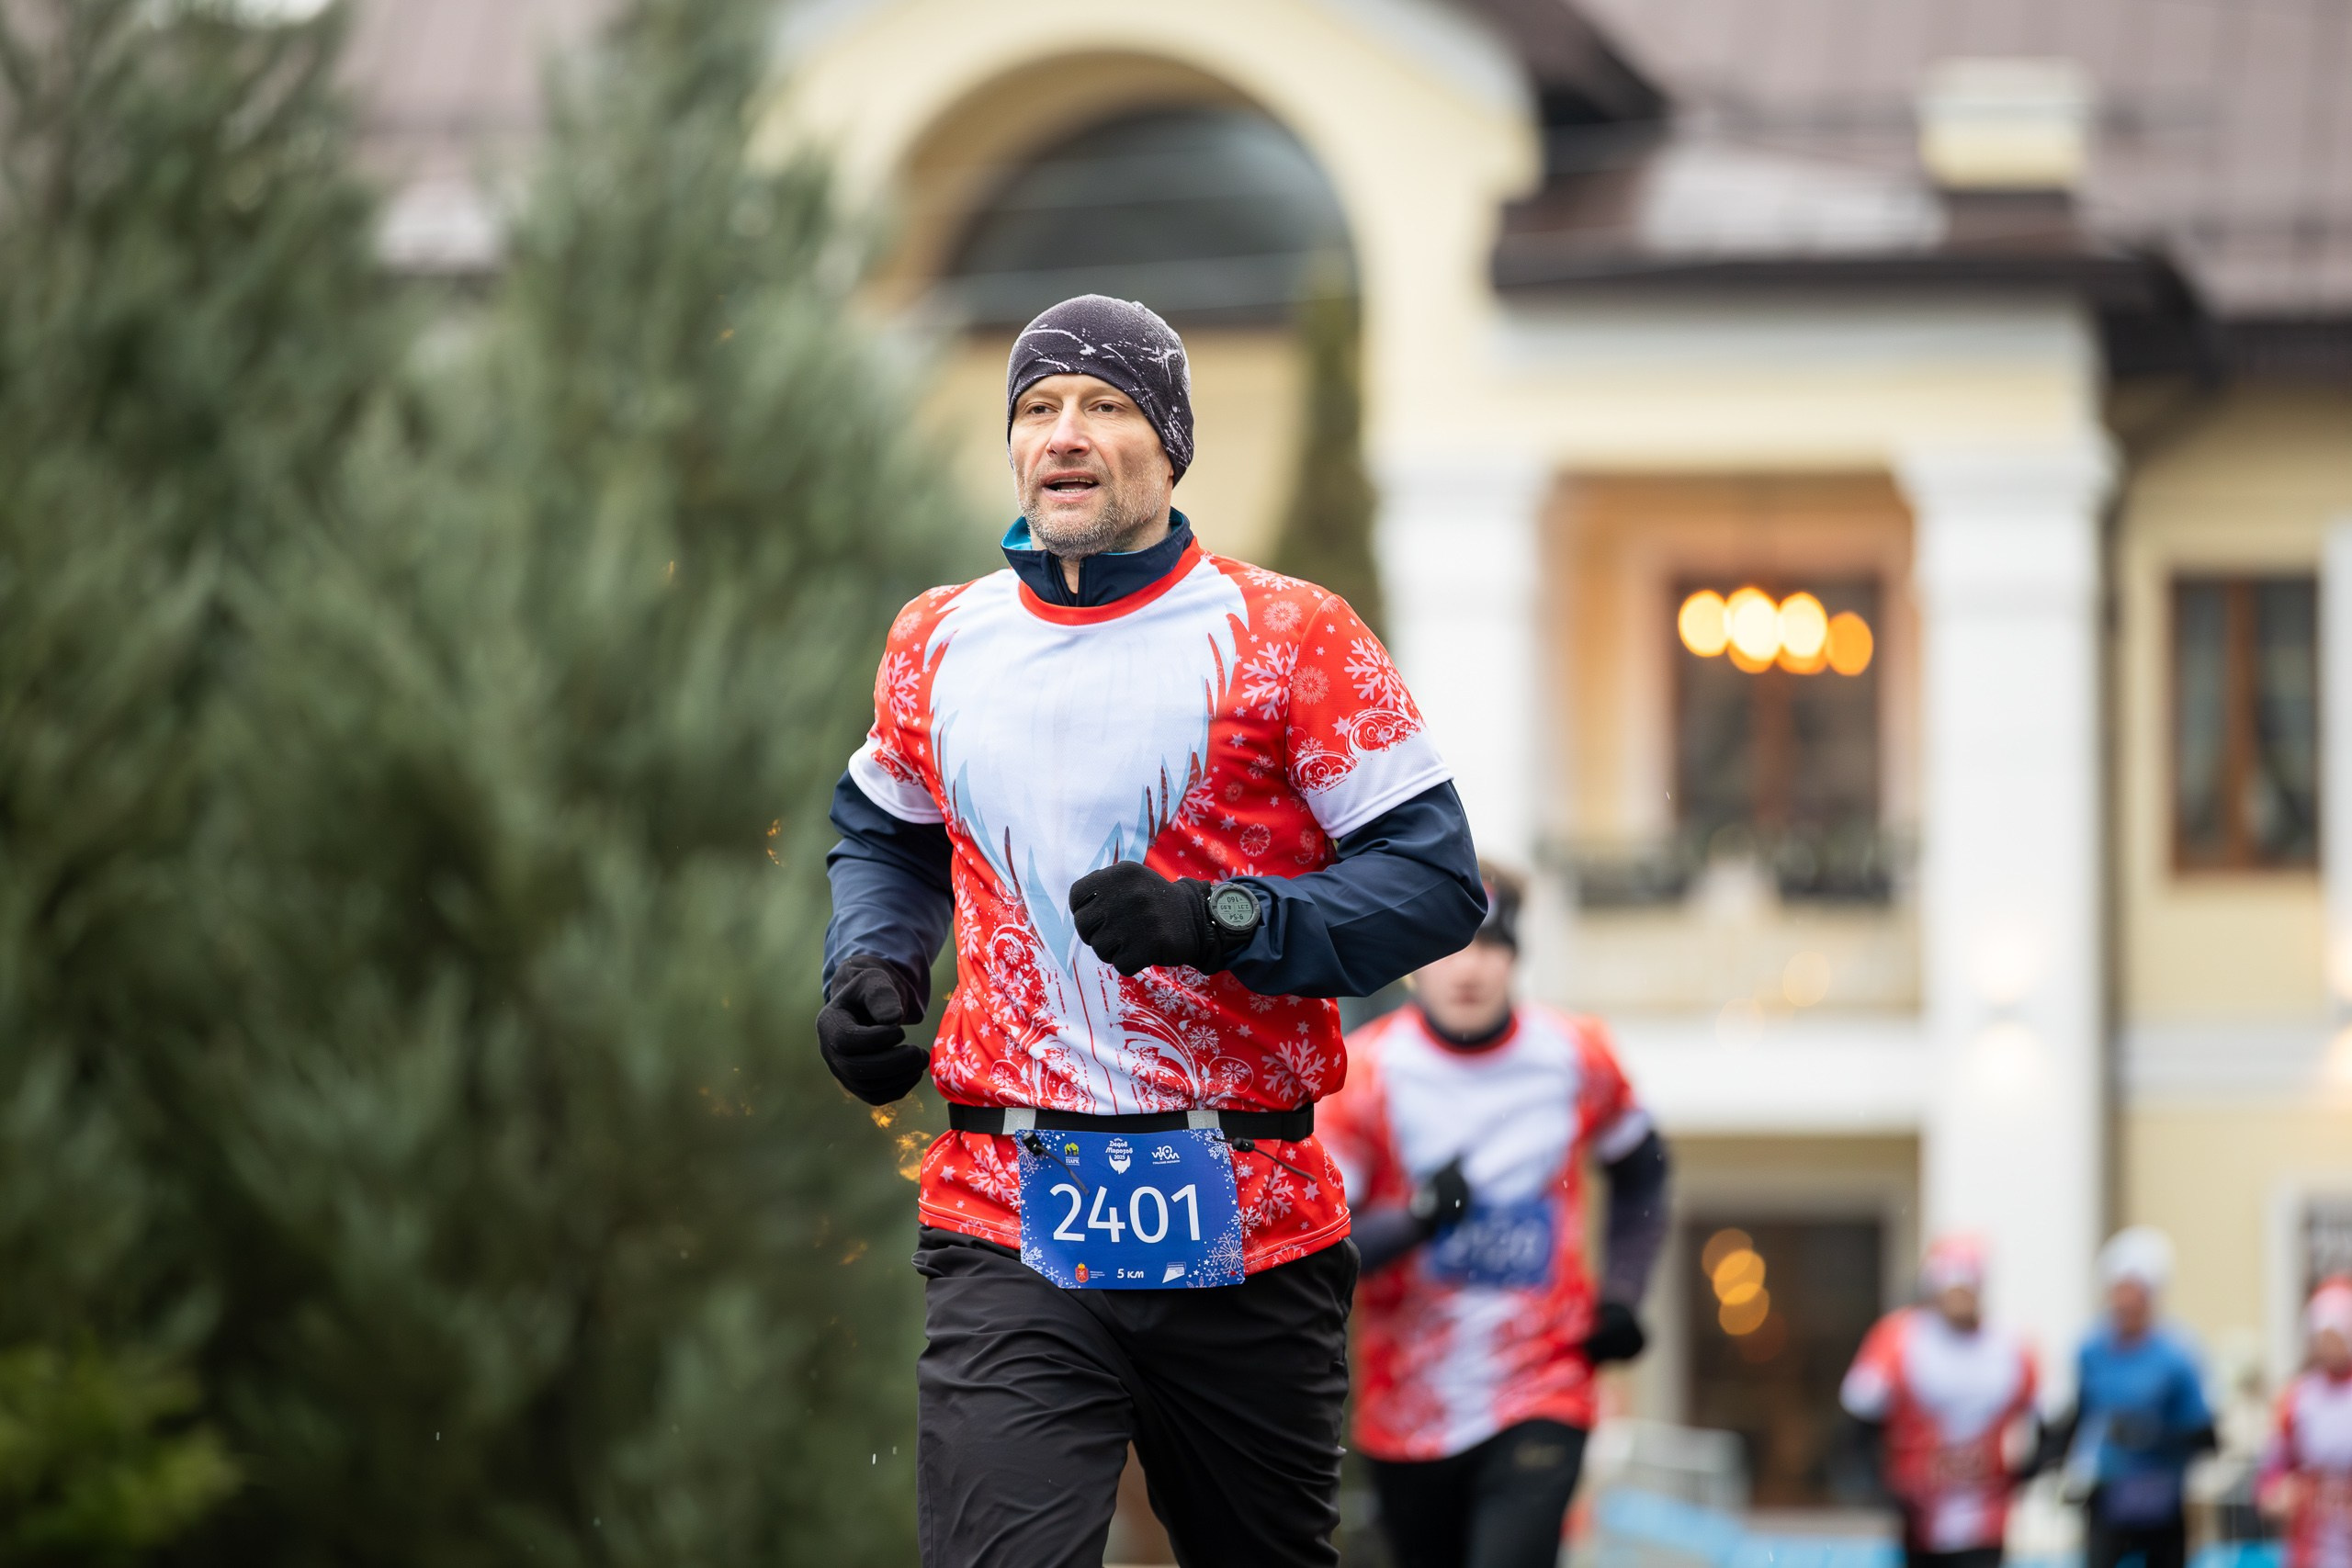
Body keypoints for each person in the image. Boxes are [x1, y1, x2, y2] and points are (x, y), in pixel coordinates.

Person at [817, 293, 1487, 1567]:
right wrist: (872, 962)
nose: (1064, 433)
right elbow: (886, 832)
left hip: (1247, 1208)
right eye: (1037, 409)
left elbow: (1434, 879)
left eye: (1106, 406)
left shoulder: (1293, 634)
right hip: (1010, 1202)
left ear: (1169, 444)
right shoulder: (935, 640)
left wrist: (1224, 917)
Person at [1320, 865, 1669, 1568]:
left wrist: (1623, 1294)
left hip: (1543, 1381)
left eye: (1491, 943)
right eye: (1446, 944)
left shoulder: (1576, 1054)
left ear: (1516, 953)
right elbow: (1327, 1244)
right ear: (1411, 960)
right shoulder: (1363, 1071)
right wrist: (1419, 1218)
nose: (1469, 966)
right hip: (1408, 1403)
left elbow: (1644, 1172)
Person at [1840, 1235, 2041, 1568]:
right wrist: (1875, 1484)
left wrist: (2025, 1474)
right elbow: (1858, 1419)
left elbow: (2051, 1418)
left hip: (1986, 1512)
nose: (1960, 1299)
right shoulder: (1897, 1339)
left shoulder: (2012, 1345)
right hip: (1919, 1514)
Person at [2045, 1226, 2217, 1568]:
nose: (2124, 1303)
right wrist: (2052, 1461)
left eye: (2133, 1293)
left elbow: (2205, 1437)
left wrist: (2151, 1434)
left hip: (2162, 1498)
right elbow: (2077, 1413)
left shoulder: (2178, 1354)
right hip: (2109, 1495)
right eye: (2118, 1292)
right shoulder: (2091, 1349)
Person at [2257, 1277, 2352, 1568]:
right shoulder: (2298, 1398)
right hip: (2310, 1541)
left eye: (2334, 1335)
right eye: (2320, 1336)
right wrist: (2278, 1494)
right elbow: (2273, 1470)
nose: (2327, 1345)